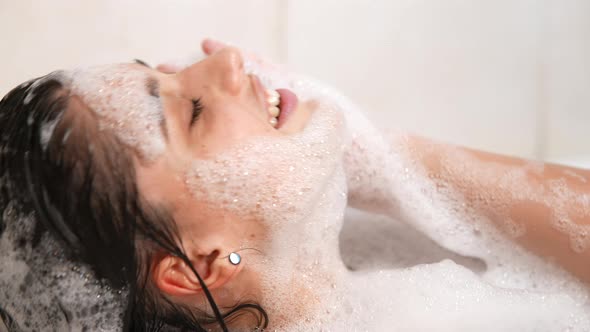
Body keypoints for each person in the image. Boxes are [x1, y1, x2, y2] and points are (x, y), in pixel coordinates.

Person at [0, 38, 588, 331]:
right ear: (198, 267)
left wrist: (385, 166)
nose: (227, 60)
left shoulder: (383, 272)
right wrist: (391, 161)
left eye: (166, 73)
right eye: (193, 110)